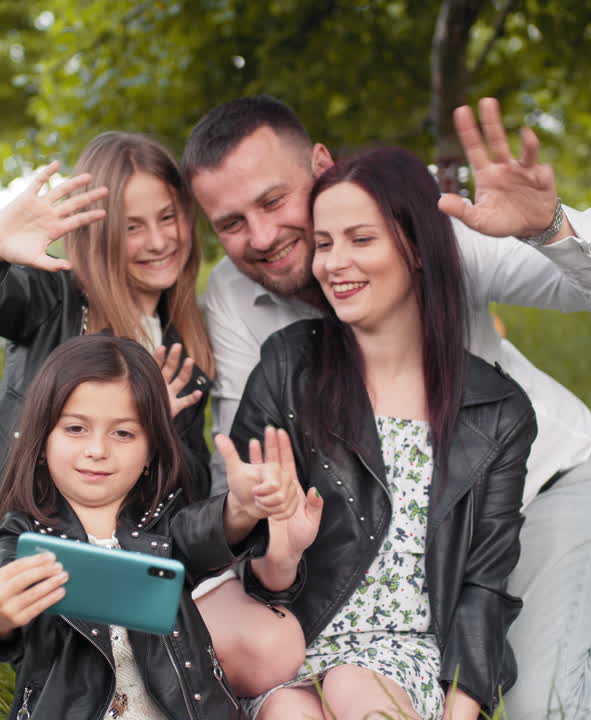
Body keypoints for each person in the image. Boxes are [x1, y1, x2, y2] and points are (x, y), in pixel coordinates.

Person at [184, 96, 591, 719]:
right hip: (406, 541)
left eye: (273, 201)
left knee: (539, 704)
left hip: (549, 483)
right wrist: (254, 545)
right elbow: (246, 464)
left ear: (322, 165)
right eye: (231, 223)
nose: (262, 237)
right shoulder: (238, 299)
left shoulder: (439, 230)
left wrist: (547, 226)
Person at [218, 146, 535, 720]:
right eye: (323, 243)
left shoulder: (497, 410)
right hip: (291, 644)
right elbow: (256, 582)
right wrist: (268, 545)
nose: (334, 263)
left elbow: (484, 589)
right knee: (288, 714)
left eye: (361, 240)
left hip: (408, 655)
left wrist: (459, 713)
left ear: (417, 246)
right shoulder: (288, 368)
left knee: (354, 687)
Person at [0, 334, 298, 720]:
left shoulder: (159, 523)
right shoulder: (27, 534)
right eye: (76, 429)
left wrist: (241, 509)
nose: (97, 450)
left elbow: (203, 533)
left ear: (150, 451)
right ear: (42, 440)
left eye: (123, 433)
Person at [0, 132, 215, 545]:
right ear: (97, 230)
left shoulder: (184, 337)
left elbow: (193, 488)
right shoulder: (53, 295)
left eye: (168, 217)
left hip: (129, 547)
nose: (158, 242)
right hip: (32, 534)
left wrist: (159, 429)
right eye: (132, 227)